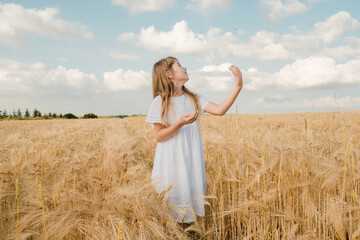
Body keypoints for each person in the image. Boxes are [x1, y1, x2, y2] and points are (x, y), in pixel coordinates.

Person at [145, 56, 243, 224]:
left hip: (191, 162)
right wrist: (180, 123)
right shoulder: (160, 101)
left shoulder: (194, 98)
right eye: (179, 65)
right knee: (169, 214)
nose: (185, 67)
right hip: (171, 164)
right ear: (169, 74)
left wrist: (238, 85)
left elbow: (219, 110)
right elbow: (159, 136)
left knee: (189, 214)